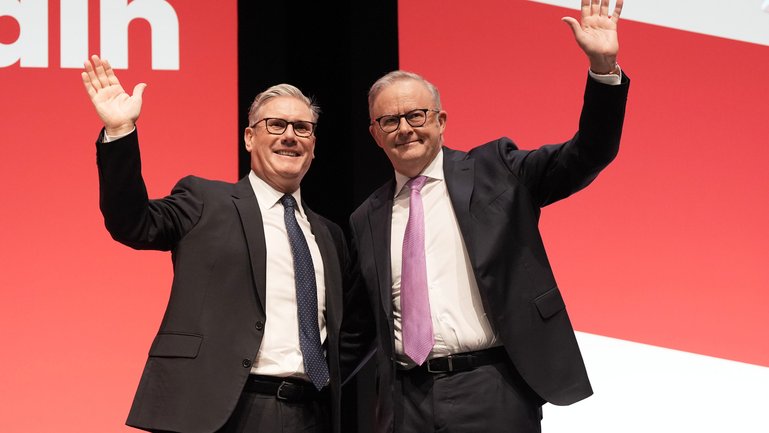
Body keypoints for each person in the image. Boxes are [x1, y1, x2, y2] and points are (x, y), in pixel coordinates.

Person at [348, 0, 629, 432]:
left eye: (417, 115)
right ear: (375, 133)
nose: (404, 128)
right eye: (390, 120)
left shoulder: (497, 169)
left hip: (492, 388)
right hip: (405, 404)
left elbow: (588, 153)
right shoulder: (367, 216)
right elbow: (361, 328)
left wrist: (603, 69)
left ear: (441, 121)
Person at [81, 55, 368, 433]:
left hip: (309, 414)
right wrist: (120, 132)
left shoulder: (330, 234)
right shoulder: (205, 200)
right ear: (249, 137)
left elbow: (353, 327)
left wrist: (327, 376)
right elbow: (132, 223)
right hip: (216, 411)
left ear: (313, 145)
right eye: (276, 124)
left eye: (302, 128)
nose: (289, 135)